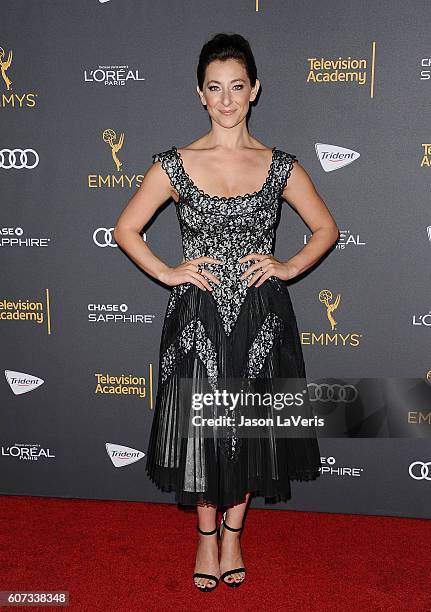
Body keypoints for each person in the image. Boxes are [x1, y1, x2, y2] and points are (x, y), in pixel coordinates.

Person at [113, 32, 339, 592]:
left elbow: (326, 229)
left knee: (249, 430)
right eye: (215, 88)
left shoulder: (279, 164)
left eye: (237, 86)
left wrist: (287, 266)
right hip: (197, 321)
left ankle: (234, 534)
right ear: (200, 94)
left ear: (255, 90)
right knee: (205, 432)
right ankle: (205, 538)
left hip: (263, 320)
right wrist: (169, 272)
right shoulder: (176, 163)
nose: (227, 99)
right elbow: (126, 229)